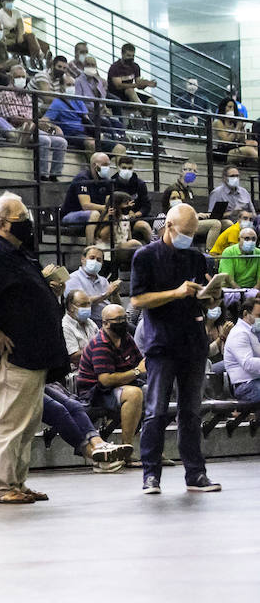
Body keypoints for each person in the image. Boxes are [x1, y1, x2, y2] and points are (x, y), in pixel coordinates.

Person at [0, 191, 72, 503]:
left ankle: (18, 482)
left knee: (26, 424)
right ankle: (2, 486)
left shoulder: (16, 252)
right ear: (1, 223)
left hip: (31, 354)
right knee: (9, 423)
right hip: (11, 355)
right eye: (21, 219)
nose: (28, 224)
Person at [130, 202, 220, 493]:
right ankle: (150, 474)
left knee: (192, 412)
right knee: (156, 410)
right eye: (185, 232)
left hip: (193, 343)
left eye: (193, 233)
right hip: (162, 343)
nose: (189, 238)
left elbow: (200, 298)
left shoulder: (195, 258)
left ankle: (195, 474)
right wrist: (176, 293)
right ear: (168, 227)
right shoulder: (145, 256)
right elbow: (138, 300)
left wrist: (211, 298)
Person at [75, 303, 145, 459]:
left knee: (155, 393)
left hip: (121, 386)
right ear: (105, 323)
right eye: (118, 319)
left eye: (124, 318)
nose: (123, 323)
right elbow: (105, 380)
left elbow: (142, 362)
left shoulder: (126, 338)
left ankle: (154, 451)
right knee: (134, 394)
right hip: (96, 394)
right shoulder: (100, 344)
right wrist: (137, 371)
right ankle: (127, 451)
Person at [0, 65, 67, 182]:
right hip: (16, 130)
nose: (21, 79)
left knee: (61, 142)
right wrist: (36, 123)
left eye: (23, 76)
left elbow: (32, 118)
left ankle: (54, 175)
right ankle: (42, 175)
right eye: (18, 76)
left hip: (32, 128)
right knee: (44, 139)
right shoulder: (6, 94)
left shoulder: (28, 96)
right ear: (11, 78)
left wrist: (45, 126)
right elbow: (13, 119)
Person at [59, 152, 116, 239]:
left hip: (96, 213)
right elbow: (85, 205)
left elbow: (109, 202)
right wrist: (105, 208)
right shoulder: (82, 178)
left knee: (114, 215)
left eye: (108, 165)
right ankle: (90, 247)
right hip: (71, 216)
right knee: (95, 214)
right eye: (104, 165)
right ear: (94, 166)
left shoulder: (106, 181)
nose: (107, 168)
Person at [64, 245, 120, 322]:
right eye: (92, 258)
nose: (95, 262)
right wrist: (106, 294)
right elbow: (80, 302)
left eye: (99, 260)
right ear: (83, 259)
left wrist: (115, 293)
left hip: (109, 319)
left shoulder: (103, 281)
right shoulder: (72, 278)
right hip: (90, 321)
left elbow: (117, 304)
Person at [223, 297, 260, 404]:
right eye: (259, 316)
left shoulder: (253, 332)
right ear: (245, 314)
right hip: (245, 385)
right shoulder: (239, 333)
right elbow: (247, 363)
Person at [107, 42, 157, 106]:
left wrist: (146, 84)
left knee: (152, 101)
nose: (131, 58)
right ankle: (142, 109)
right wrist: (136, 85)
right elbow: (118, 86)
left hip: (130, 93)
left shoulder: (135, 66)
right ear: (122, 54)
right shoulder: (115, 67)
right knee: (129, 90)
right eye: (128, 55)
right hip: (116, 94)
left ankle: (149, 113)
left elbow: (138, 84)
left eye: (133, 56)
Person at [61, 290, 99, 368]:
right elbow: (74, 357)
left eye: (89, 304)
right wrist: (100, 349)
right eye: (83, 305)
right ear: (71, 307)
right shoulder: (65, 326)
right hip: (78, 371)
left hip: (96, 366)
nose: (87, 308)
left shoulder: (90, 322)